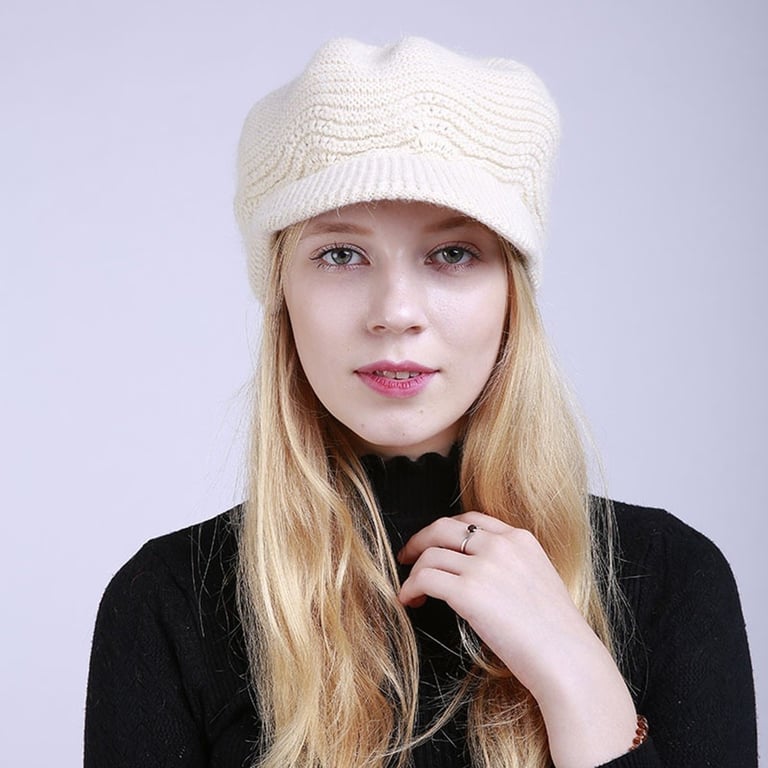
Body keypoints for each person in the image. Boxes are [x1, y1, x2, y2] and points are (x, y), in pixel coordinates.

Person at [84, 37, 757, 768]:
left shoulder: (670, 578)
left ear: (512, 295)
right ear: (282, 293)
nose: (396, 312)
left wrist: (578, 675)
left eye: (453, 253)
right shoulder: (168, 602)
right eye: (341, 254)